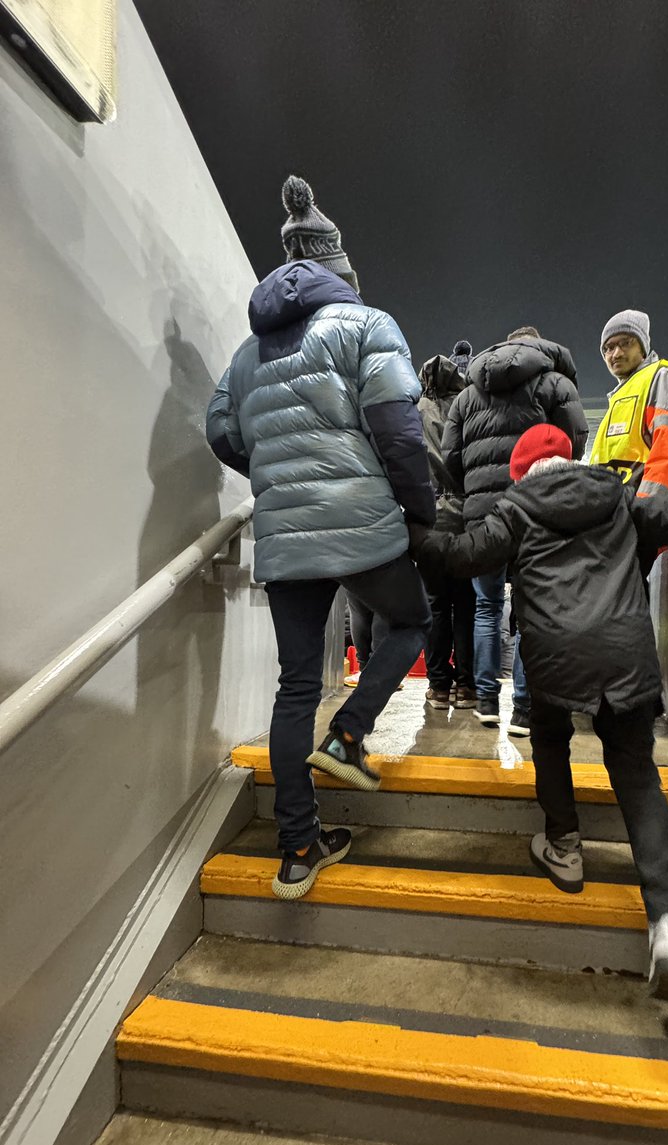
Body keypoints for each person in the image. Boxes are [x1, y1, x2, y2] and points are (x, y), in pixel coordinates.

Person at [410, 424, 668, 1003]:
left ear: (521, 474)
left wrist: (408, 523)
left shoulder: (514, 511)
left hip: (553, 655)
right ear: (574, 461)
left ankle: (565, 846)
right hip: (626, 653)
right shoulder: (619, 499)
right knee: (635, 772)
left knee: (550, 738)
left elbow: (455, 557)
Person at [206, 174, 434, 901]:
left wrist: (272, 472)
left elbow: (221, 430)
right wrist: (419, 511)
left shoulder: (246, 355)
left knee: (295, 685)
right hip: (363, 521)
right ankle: (350, 733)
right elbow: (399, 429)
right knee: (411, 621)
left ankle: (298, 849)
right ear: (342, 273)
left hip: (285, 535)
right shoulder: (368, 325)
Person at [441, 327, 587, 736]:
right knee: (529, 614)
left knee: (485, 609)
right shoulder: (554, 383)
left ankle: (486, 701)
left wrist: (473, 492)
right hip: (537, 512)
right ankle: (523, 709)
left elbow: (449, 457)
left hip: (483, 516)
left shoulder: (468, 395)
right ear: (538, 346)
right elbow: (573, 442)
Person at [590, 310, 668, 577]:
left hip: (644, 522)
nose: (616, 354)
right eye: (608, 348)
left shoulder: (663, 377)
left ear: (643, 347)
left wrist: (646, 510)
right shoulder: (620, 395)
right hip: (618, 525)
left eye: (626, 343)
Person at [417, 353, 476, 708]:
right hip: (468, 520)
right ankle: (466, 687)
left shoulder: (416, 408)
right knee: (467, 606)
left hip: (430, 521)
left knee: (436, 606)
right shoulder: (470, 407)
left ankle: (439, 685)